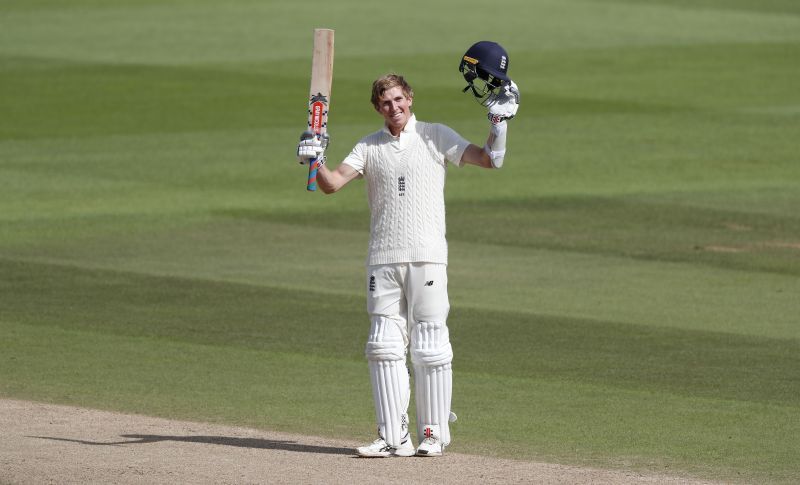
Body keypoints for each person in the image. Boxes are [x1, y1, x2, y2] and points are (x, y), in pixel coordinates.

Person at [296, 41, 519, 458]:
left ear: (410, 99)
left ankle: (432, 434)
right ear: (377, 107)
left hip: (428, 254)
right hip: (383, 256)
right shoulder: (368, 146)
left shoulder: (436, 136)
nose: (392, 106)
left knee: (430, 343)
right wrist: (313, 159)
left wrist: (500, 125)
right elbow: (331, 184)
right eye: (384, 102)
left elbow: (491, 160)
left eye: (398, 98)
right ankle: (391, 435)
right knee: (383, 344)